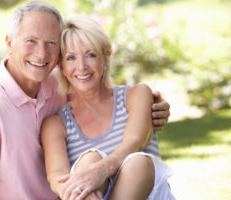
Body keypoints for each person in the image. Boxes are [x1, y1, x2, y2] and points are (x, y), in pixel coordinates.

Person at [0, 1, 170, 199]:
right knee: (89, 161)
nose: (42, 54)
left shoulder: (56, 82)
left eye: (51, 43)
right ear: (9, 42)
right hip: (76, 193)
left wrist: (153, 107)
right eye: (31, 41)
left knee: (126, 163)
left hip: (114, 188)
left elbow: (97, 90)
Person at [41, 16, 175, 200]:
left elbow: (134, 142)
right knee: (88, 160)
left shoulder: (136, 95)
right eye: (71, 58)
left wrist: (100, 171)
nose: (81, 66)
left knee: (137, 162)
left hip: (146, 193)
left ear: (106, 57)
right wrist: (75, 188)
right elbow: (56, 175)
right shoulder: (56, 124)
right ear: (62, 67)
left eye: (91, 54)